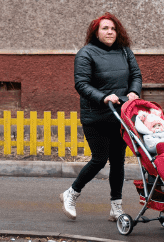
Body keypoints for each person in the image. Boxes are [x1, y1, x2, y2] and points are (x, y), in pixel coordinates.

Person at [60, 13, 142, 221]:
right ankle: (72, 193)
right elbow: (82, 84)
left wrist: (134, 91)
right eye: (105, 28)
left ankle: (116, 207)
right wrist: (103, 97)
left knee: (118, 161)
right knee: (99, 159)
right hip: (95, 116)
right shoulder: (86, 54)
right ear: (96, 32)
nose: (110, 32)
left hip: (119, 114)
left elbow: (136, 75)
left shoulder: (124, 52)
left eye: (113, 28)